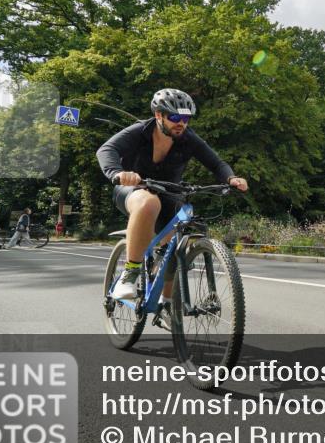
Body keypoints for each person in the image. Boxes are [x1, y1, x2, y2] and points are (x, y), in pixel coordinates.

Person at [96, 89, 248, 302]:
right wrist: (118, 173)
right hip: (132, 190)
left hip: (169, 194)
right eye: (175, 117)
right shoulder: (141, 131)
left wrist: (231, 178)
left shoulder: (188, 138)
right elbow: (106, 150)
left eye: (185, 118)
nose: (181, 123)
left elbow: (216, 163)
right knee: (149, 203)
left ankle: (167, 304)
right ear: (159, 115)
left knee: (178, 241)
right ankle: (129, 274)